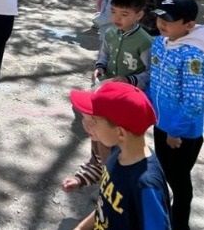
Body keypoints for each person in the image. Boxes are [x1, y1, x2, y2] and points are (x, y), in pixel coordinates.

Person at [62, 0, 152, 192]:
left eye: (124, 14)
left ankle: (119, 182)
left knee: (119, 139)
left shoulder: (145, 41)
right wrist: (99, 68)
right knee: (98, 133)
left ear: (139, 15)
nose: (117, 18)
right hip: (106, 92)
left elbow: (149, 73)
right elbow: (103, 56)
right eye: (113, 12)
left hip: (126, 101)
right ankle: (97, 169)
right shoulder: (110, 33)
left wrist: (129, 80)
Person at [69, 82, 171, 230]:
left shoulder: (146, 185)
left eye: (93, 121)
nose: (85, 124)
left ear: (120, 133)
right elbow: (105, 205)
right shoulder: (117, 152)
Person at [147, 0, 204, 230]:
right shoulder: (159, 43)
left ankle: (179, 224)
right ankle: (164, 217)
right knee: (164, 173)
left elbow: (195, 100)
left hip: (182, 134)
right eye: (159, 17)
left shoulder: (193, 55)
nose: (161, 23)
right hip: (161, 124)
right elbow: (154, 81)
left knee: (179, 184)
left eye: (168, 20)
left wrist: (175, 131)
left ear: (188, 25)